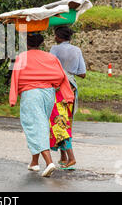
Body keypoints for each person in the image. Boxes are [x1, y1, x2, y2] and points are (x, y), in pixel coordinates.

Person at [9, 32, 74, 177]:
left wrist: (13, 98)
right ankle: (34, 162)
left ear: (27, 43)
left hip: (31, 94)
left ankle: (49, 162)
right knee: (42, 123)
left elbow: (15, 78)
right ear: (41, 43)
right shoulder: (51, 57)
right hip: (48, 94)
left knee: (35, 126)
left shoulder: (22, 58)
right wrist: (68, 95)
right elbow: (62, 77)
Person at [49, 26, 86, 169]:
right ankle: (63, 157)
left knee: (58, 122)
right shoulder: (77, 50)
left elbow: (50, 67)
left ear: (58, 37)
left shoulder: (55, 49)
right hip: (72, 89)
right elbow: (83, 73)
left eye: (55, 35)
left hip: (59, 89)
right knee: (66, 122)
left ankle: (71, 158)